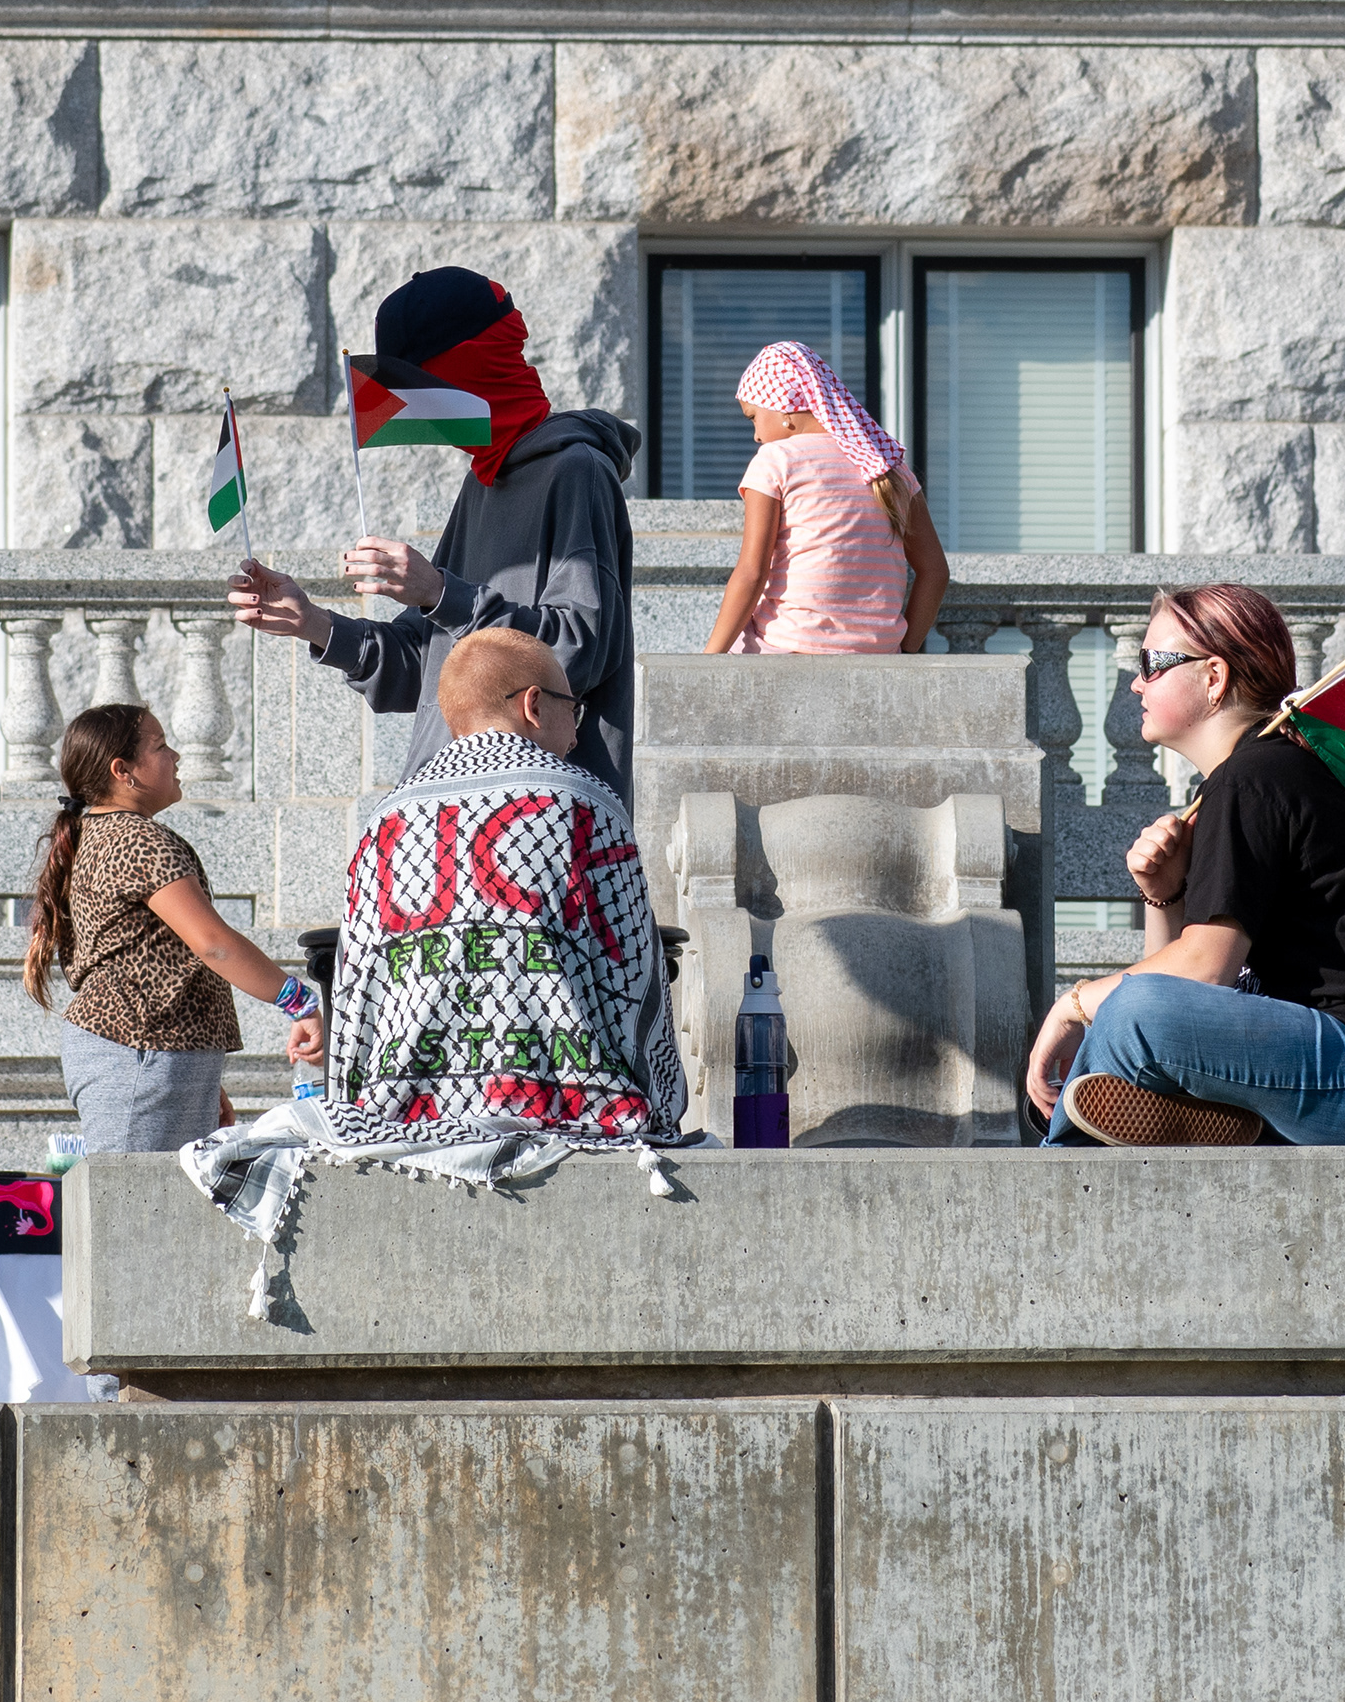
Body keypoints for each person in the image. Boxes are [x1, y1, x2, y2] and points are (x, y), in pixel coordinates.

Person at [1023, 584, 1345, 1149]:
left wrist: (1073, 1004)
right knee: (1137, 1009)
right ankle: (1199, 1119)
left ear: (1214, 677)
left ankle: (1062, 1159)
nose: (1135, 682)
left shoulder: (1254, 779)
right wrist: (1164, 895)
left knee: (1134, 1008)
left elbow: (1201, 973)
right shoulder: (1259, 774)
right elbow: (1189, 985)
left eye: (1151, 664)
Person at [225, 267, 642, 801]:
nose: (415, 408)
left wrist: (441, 592)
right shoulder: (483, 480)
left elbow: (577, 651)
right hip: (445, 811)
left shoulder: (576, 470)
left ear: (471, 367)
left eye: (423, 386)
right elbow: (430, 667)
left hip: (543, 818)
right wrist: (315, 624)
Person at [316, 628, 681, 1149]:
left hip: (400, 1124)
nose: (576, 735)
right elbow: (637, 982)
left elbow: (354, 992)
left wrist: (354, 1119)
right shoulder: (586, 804)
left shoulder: (385, 820)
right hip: (573, 1119)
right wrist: (663, 1111)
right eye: (572, 710)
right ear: (533, 704)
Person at [25, 699, 325, 1151]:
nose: (176, 756)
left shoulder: (100, 835)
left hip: (148, 1055)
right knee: (137, 1211)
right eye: (161, 746)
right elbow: (214, 945)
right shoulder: (138, 839)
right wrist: (299, 1002)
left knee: (153, 1209)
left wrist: (197, 1080)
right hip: (139, 1053)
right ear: (122, 770)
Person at [703, 341, 949, 656]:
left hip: (789, 646)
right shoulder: (890, 468)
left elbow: (753, 572)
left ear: (784, 409)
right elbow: (936, 571)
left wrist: (709, 659)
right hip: (878, 653)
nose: (756, 436)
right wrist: (905, 651)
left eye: (753, 417)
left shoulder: (777, 458)